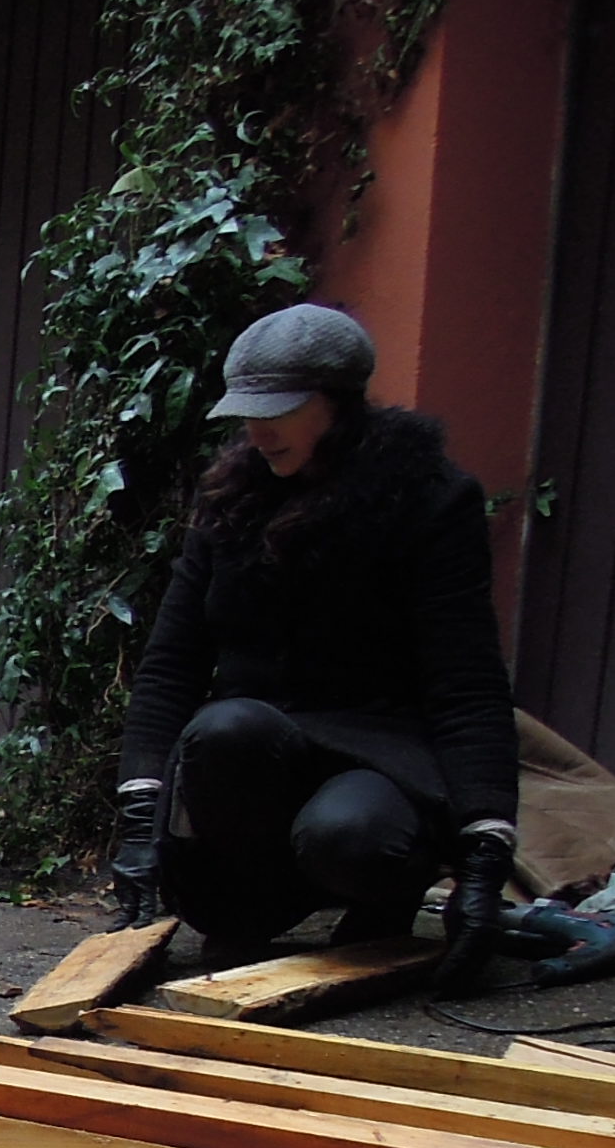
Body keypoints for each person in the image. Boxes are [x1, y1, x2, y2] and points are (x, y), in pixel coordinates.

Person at [110, 303, 520, 977]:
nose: (258, 429)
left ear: (339, 402)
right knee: (224, 729)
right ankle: (252, 909)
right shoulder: (231, 499)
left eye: (280, 409)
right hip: (260, 751)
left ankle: (377, 903)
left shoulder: (429, 500)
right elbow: (171, 664)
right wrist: (138, 814)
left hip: (380, 754)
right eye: (247, 411)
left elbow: (467, 681)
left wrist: (485, 852)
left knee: (350, 837)